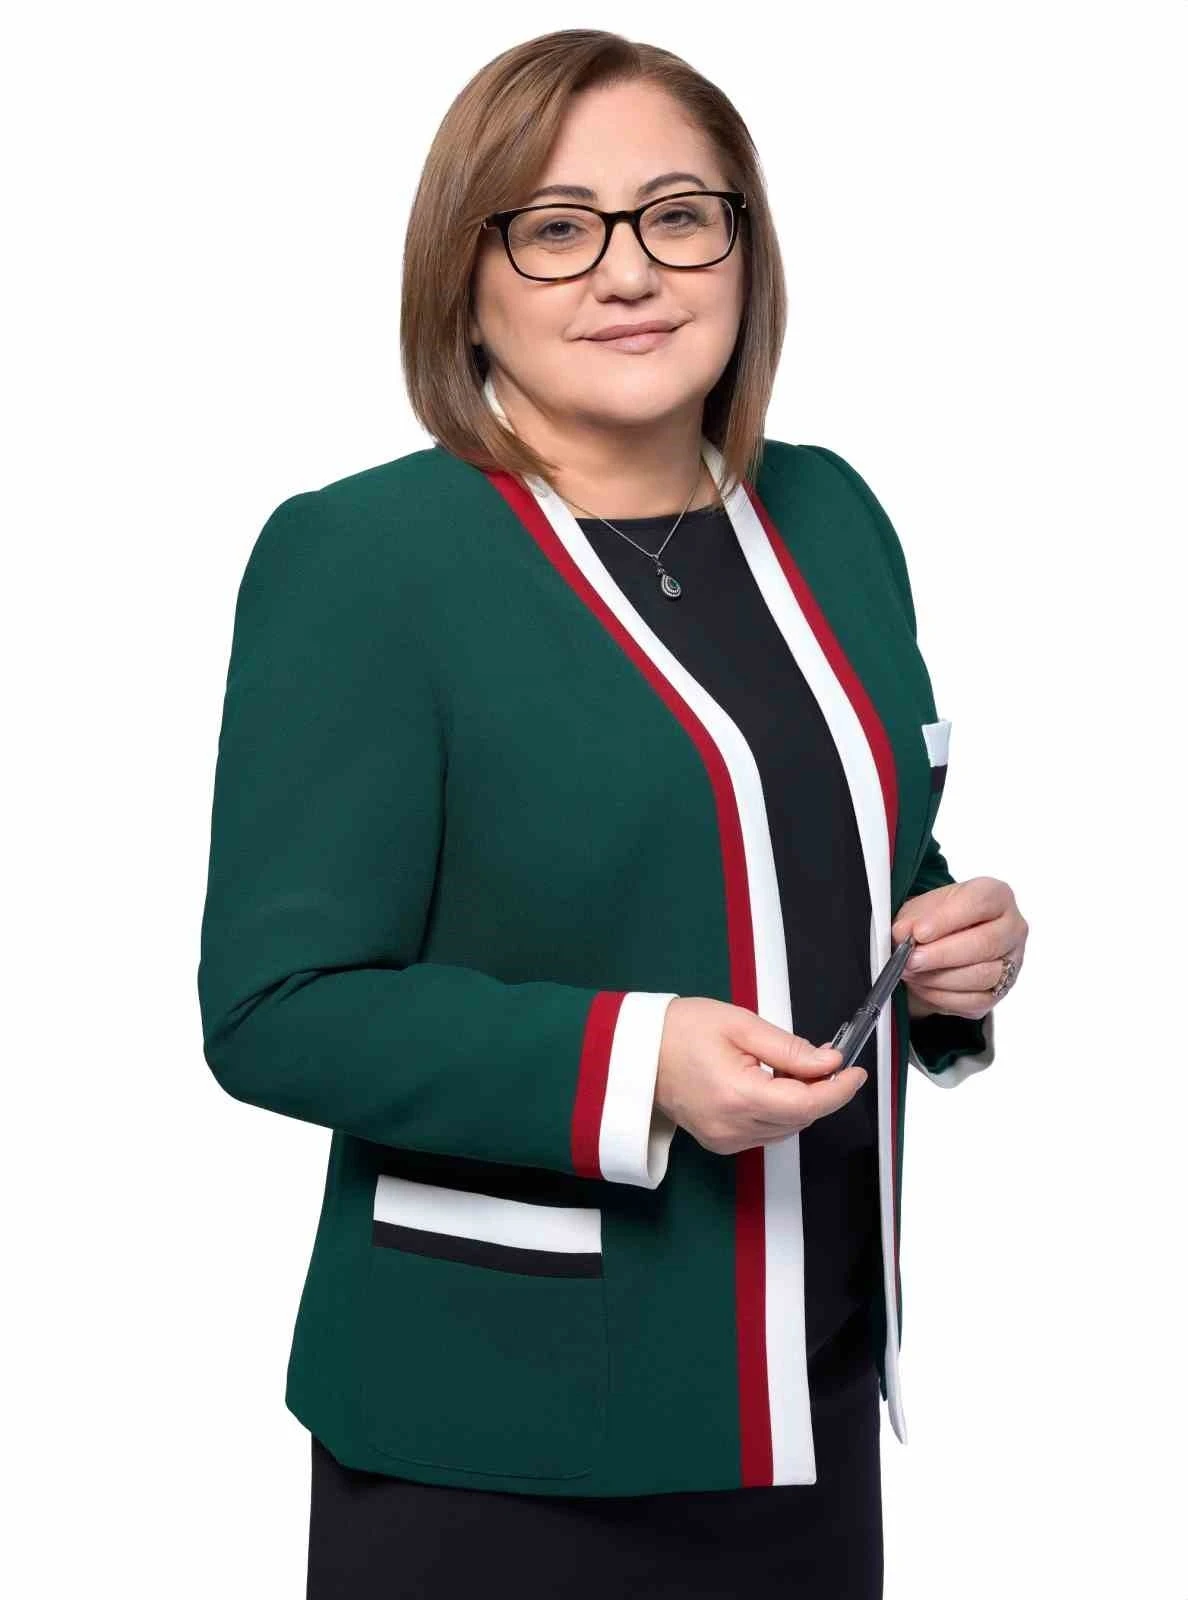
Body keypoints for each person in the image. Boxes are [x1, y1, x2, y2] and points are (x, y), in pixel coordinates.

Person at [197, 27, 1029, 1599]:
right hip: (500, 1439)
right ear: (466, 278)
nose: (629, 271)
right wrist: (641, 1066)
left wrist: (947, 954)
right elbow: (273, 1008)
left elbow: (851, 846)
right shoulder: (367, 562)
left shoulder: (831, 515)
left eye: (678, 216)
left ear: (743, 248)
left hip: (806, 1387)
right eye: (557, 226)